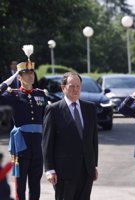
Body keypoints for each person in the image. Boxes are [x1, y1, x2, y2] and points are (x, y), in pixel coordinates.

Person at [0, 45, 48, 200]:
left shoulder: (41, 94)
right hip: (21, 145)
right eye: (25, 73)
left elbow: (49, 116)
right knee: (20, 183)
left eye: (31, 72)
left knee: (35, 183)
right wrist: (9, 81)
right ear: (19, 77)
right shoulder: (13, 95)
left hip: (38, 145)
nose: (30, 76)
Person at [42, 72, 99, 200]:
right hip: (63, 172)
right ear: (63, 88)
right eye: (72, 86)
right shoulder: (54, 110)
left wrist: (94, 165)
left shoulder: (89, 108)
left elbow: (93, 139)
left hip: (86, 170)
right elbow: (47, 142)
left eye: (78, 86)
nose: (76, 89)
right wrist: (49, 169)